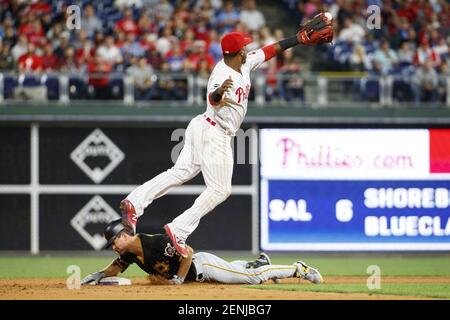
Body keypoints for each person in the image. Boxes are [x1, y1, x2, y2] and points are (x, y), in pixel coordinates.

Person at [120, 14, 333, 258]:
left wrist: (296, 39)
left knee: (179, 173)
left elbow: (269, 50)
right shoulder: (222, 74)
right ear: (236, 52)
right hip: (214, 131)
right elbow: (213, 98)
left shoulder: (244, 63)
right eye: (244, 46)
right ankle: (178, 230)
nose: (247, 48)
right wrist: (219, 94)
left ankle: (134, 202)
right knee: (220, 190)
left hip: (202, 126)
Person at [81, 219, 323, 285]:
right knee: (238, 271)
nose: (113, 246)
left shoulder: (154, 242)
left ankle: (297, 268)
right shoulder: (130, 254)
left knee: (252, 279)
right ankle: (258, 261)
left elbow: (187, 252)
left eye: (114, 241)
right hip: (198, 275)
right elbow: (118, 265)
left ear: (124, 235)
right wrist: (100, 274)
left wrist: (177, 279)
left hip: (201, 267)